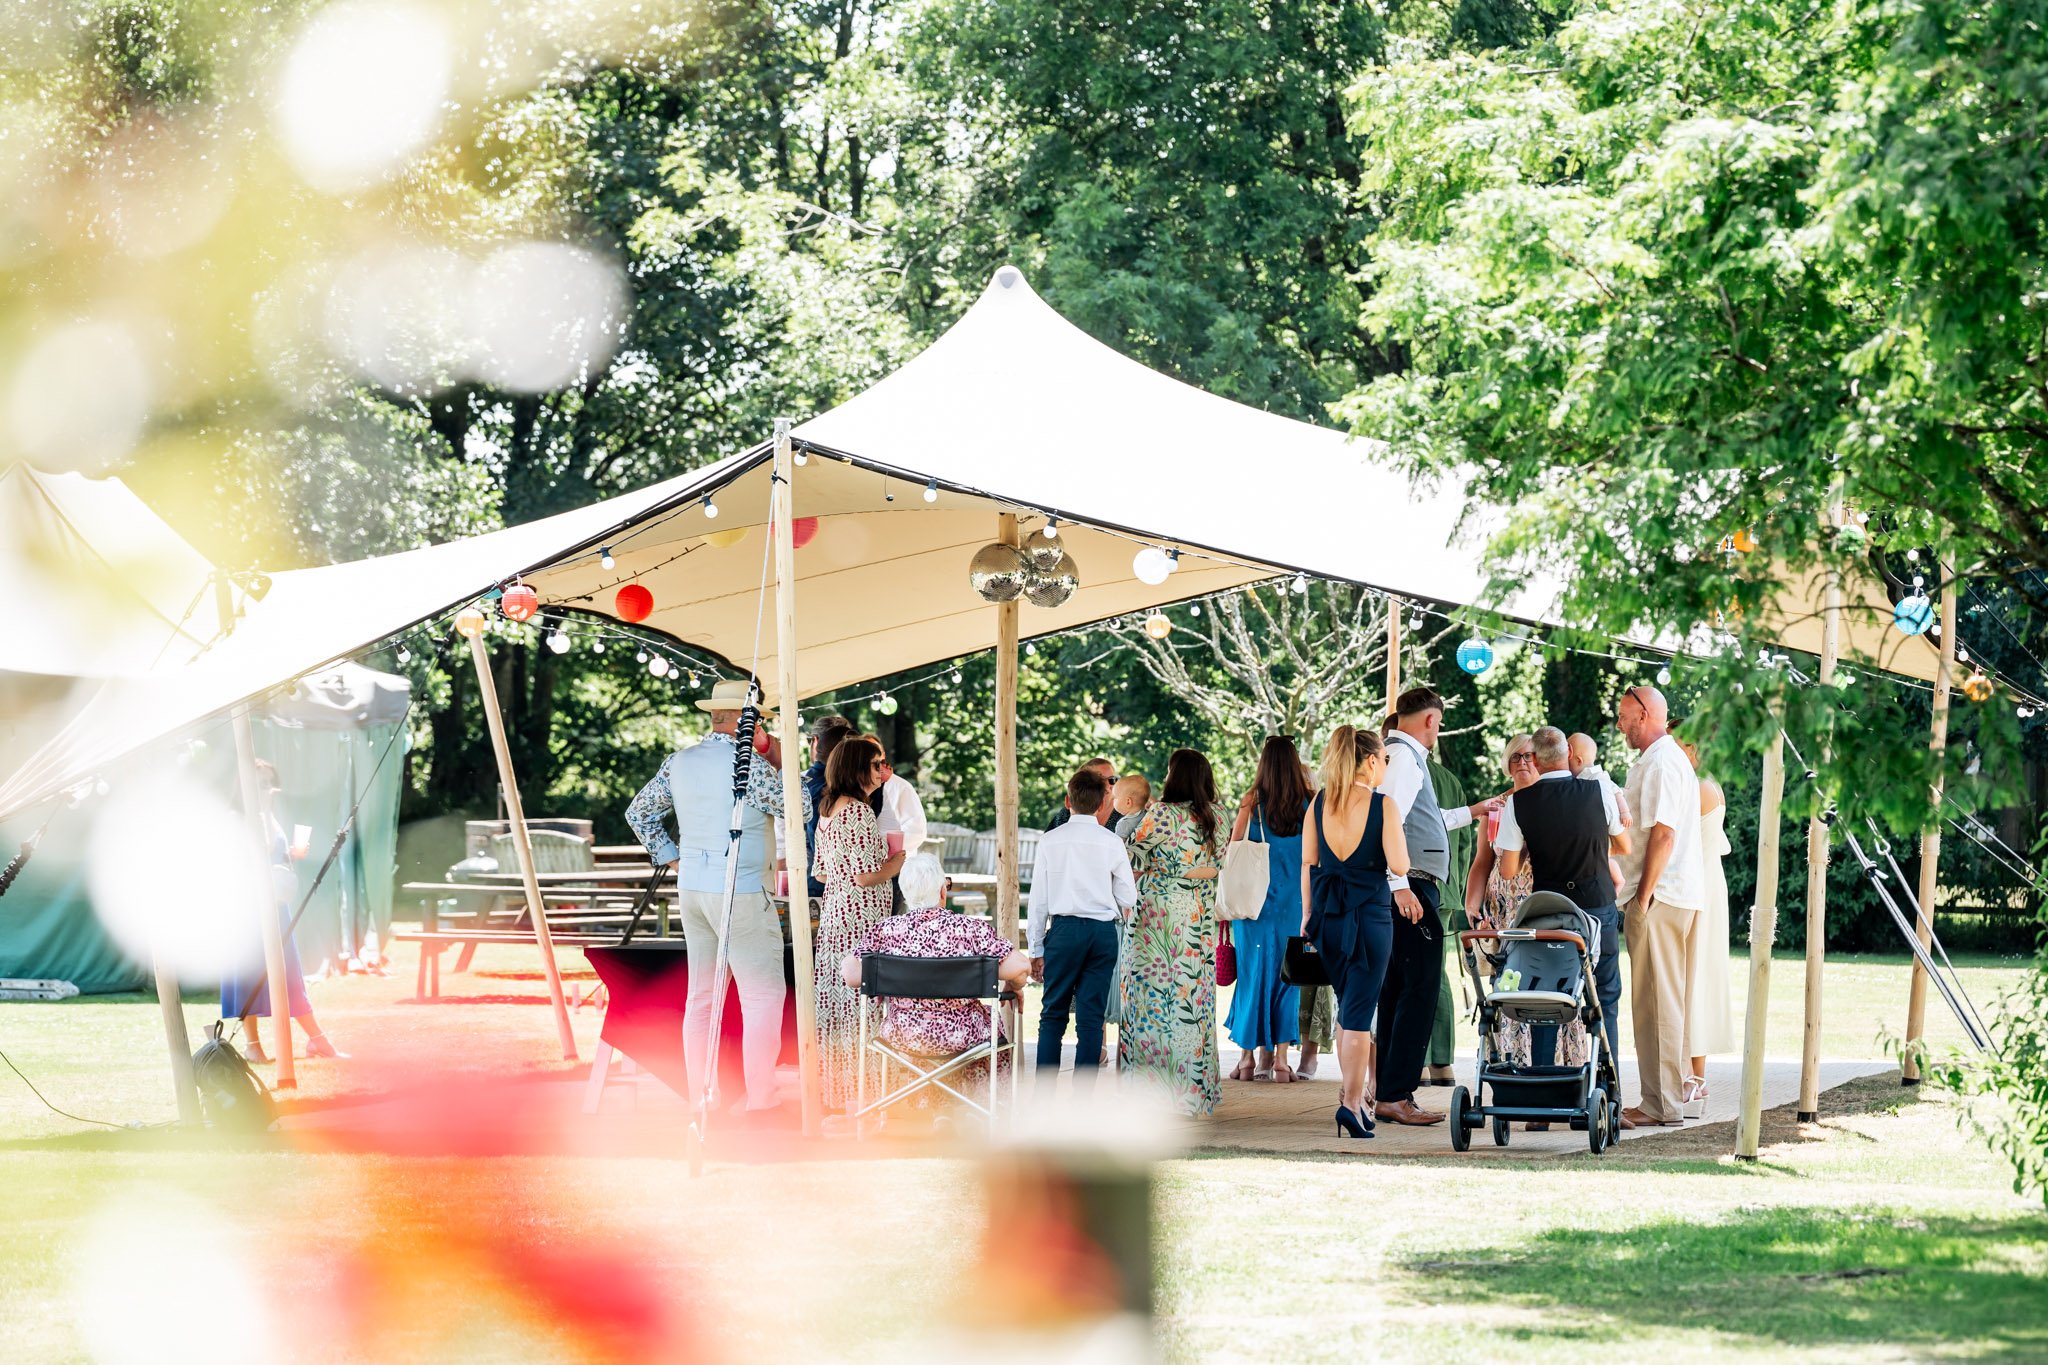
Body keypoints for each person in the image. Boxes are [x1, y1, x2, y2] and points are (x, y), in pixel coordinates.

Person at [626, 679, 808, 1117]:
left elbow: (639, 813)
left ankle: (700, 1096)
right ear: (751, 721)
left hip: (692, 886)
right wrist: (782, 760)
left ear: (714, 716)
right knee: (762, 995)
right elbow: (800, 808)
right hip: (742, 889)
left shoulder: (679, 761)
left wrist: (673, 858)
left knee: (702, 998)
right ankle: (761, 1095)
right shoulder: (751, 767)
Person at [1374, 687, 1499, 1126]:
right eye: (1440, 723)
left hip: (1408, 887)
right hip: (1410, 889)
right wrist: (1399, 885)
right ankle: (1396, 1094)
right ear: (1430, 719)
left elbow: (1422, 820)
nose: (1438, 730)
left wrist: (1474, 810)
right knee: (1418, 991)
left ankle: (1389, 1092)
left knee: (1398, 990)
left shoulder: (1401, 756)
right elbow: (1388, 818)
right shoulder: (1405, 758)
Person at [1493, 727, 1629, 1103]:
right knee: (1605, 999)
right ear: (1568, 752)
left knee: (1546, 997)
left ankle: (1541, 1099)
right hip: (1597, 907)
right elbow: (1625, 844)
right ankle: (1609, 1093)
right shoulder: (1598, 791)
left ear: (1535, 760)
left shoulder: (1520, 803)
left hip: (1550, 911)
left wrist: (1533, 847)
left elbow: (1507, 870)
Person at [843, 853, 1030, 1114]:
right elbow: (1021, 967)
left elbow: (850, 974)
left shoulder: (886, 931)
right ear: (943, 891)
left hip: (904, 1036)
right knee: (990, 1029)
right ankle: (973, 1109)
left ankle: (924, 1107)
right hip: (964, 1037)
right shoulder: (971, 929)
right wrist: (1013, 985)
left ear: (905, 893)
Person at [1301, 727, 1409, 1139]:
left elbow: (1309, 862)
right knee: (1361, 1015)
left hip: (1327, 915)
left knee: (1348, 1008)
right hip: (1370, 917)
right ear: (1370, 761)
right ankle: (1351, 1103)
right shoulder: (1383, 805)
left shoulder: (1320, 802)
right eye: (1385, 759)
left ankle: (1355, 1103)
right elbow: (1399, 865)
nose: (1386, 767)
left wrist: (1307, 915)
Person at [1614, 684, 1707, 1129]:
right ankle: (1664, 1097)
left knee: (1657, 1003)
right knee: (1660, 1002)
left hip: (1660, 897)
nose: (1619, 724)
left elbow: (1664, 834)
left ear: (1645, 714)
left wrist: (1643, 896)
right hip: (1667, 895)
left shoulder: (1663, 761)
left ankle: (1661, 1104)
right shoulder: (1660, 759)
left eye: (1624, 716)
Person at [1119, 748, 1225, 1116]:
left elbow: (1129, 854)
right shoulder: (1218, 816)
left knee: (1151, 1002)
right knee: (1192, 1000)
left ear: (1174, 776)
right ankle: (1193, 1092)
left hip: (1157, 921)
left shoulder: (1163, 814)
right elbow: (1217, 864)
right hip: (1197, 921)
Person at [223, 759, 345, 1064]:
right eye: (259, 784)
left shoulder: (268, 817)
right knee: (249, 975)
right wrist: (264, 817)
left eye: (269, 783)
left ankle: (317, 1040)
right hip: (247, 910)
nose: (267, 789)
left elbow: (273, 856)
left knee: (288, 973)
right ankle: (253, 1045)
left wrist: (292, 854)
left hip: (276, 907)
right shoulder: (237, 819)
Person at [1028, 767, 1138, 1094]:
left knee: (1053, 1015)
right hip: (1102, 934)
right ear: (1104, 802)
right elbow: (1128, 897)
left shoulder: (1050, 841)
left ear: (1068, 801)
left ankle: (1043, 1096)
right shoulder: (1111, 841)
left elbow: (1038, 900)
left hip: (1063, 931)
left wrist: (1035, 949)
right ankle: (1082, 1102)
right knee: (1091, 1018)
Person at [812, 734, 906, 1114]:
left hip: (834, 917)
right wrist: (897, 863)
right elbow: (866, 876)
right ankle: (865, 1091)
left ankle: (838, 1091)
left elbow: (821, 872)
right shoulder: (859, 813)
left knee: (837, 1006)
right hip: (861, 920)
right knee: (861, 1006)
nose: (881, 770)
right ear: (856, 768)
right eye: (874, 764)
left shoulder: (827, 811)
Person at [1224, 736, 1312, 1082]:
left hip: (1254, 905)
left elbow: (1234, 848)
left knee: (1252, 976)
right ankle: (1281, 1061)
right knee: (1289, 978)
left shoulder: (1252, 802)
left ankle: (1246, 1059)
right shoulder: (1310, 803)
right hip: (1295, 904)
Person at [1671, 720, 1735, 1107]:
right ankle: (1692, 1074)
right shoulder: (1704, 784)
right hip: (1706, 883)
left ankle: (1694, 1076)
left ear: (1692, 749)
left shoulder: (1697, 788)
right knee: (1692, 977)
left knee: (1695, 977)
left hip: (1700, 889)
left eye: (1675, 745)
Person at [1425, 755, 1481, 1086]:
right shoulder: (1450, 780)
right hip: (1446, 888)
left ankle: (1421, 1060)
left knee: (1415, 973)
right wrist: (1455, 889)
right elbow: (1465, 845)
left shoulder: (1400, 769)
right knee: (1437, 971)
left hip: (1417, 886)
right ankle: (1441, 1062)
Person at [797, 714, 853, 899]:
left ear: (816, 741)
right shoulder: (845, 785)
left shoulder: (805, 782)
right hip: (832, 879)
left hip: (814, 876)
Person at [1047, 757, 1118, 830]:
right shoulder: (1068, 812)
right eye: (1100, 779)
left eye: (1112, 779)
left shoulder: (1122, 810)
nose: (1107, 785)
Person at [1110, 773, 1151, 838]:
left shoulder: (1124, 824)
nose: (1112, 799)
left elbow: (1118, 844)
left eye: (1115, 797)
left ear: (1128, 802)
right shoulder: (1149, 815)